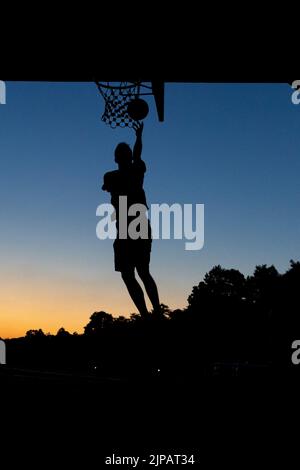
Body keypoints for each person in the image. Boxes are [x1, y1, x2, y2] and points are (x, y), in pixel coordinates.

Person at [102, 122, 160, 318]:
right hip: (136, 226)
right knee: (140, 273)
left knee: (133, 274)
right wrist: (138, 137)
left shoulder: (111, 176)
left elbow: (137, 156)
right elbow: (138, 156)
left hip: (131, 228)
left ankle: (148, 314)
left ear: (115, 158)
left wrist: (138, 139)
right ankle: (154, 314)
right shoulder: (135, 171)